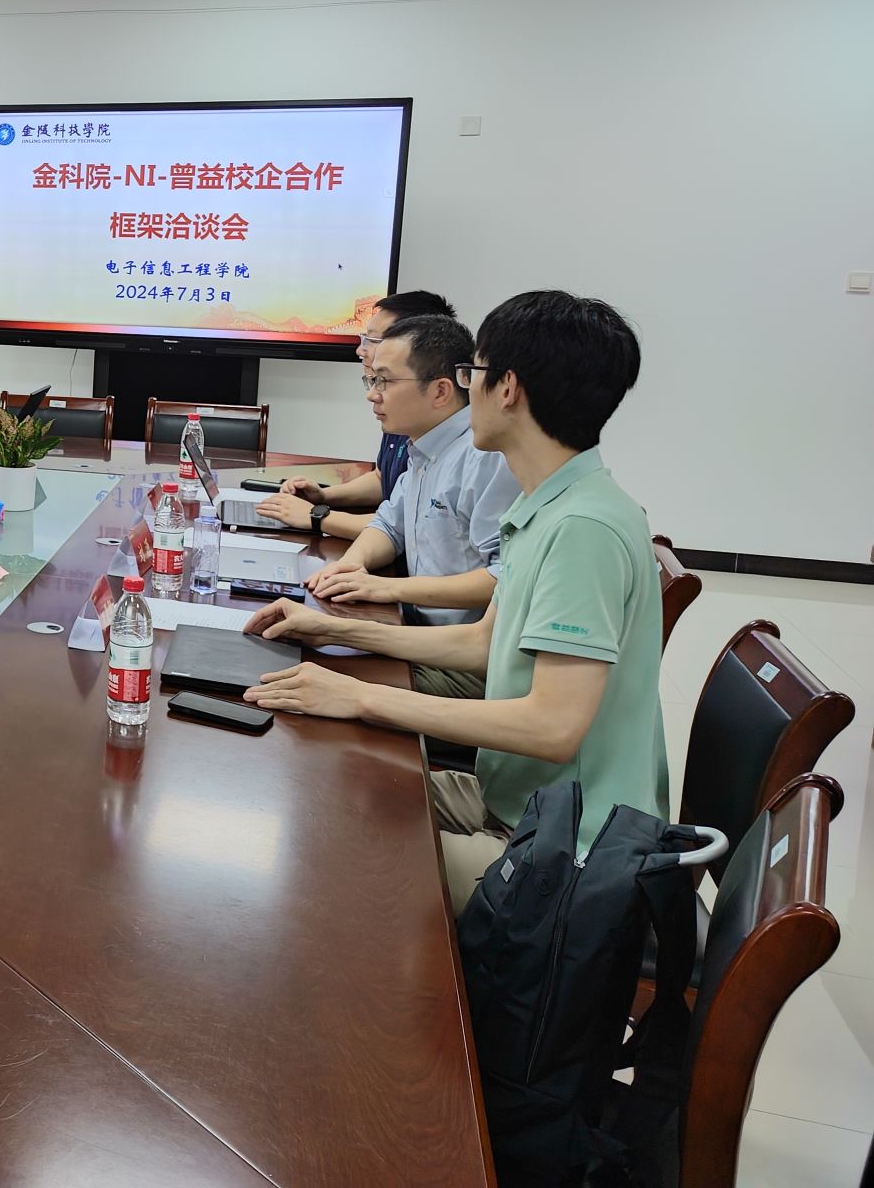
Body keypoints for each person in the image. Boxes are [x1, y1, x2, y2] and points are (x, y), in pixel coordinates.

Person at [240, 291, 666, 912]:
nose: (466, 389)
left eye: (474, 372)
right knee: (320, 788)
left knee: (338, 858)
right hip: (515, 799)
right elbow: (481, 642)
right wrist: (333, 629)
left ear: (507, 388)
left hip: (567, 849)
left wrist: (360, 695)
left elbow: (551, 727)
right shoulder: (548, 504)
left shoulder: (583, 529)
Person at [302, 314, 519, 699]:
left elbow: (503, 578)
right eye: (372, 381)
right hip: (416, 631)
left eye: (384, 381)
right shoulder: (424, 446)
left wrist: (387, 588)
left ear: (440, 391)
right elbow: (390, 524)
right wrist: (351, 565)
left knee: (319, 673)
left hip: (461, 659)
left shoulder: (483, 457)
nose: (372, 394)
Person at [255, 288, 458, 539]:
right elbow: (384, 480)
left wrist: (315, 516)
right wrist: (323, 496)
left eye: (372, 340)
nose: (360, 351)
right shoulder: (400, 412)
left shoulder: (441, 433)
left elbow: (405, 526)